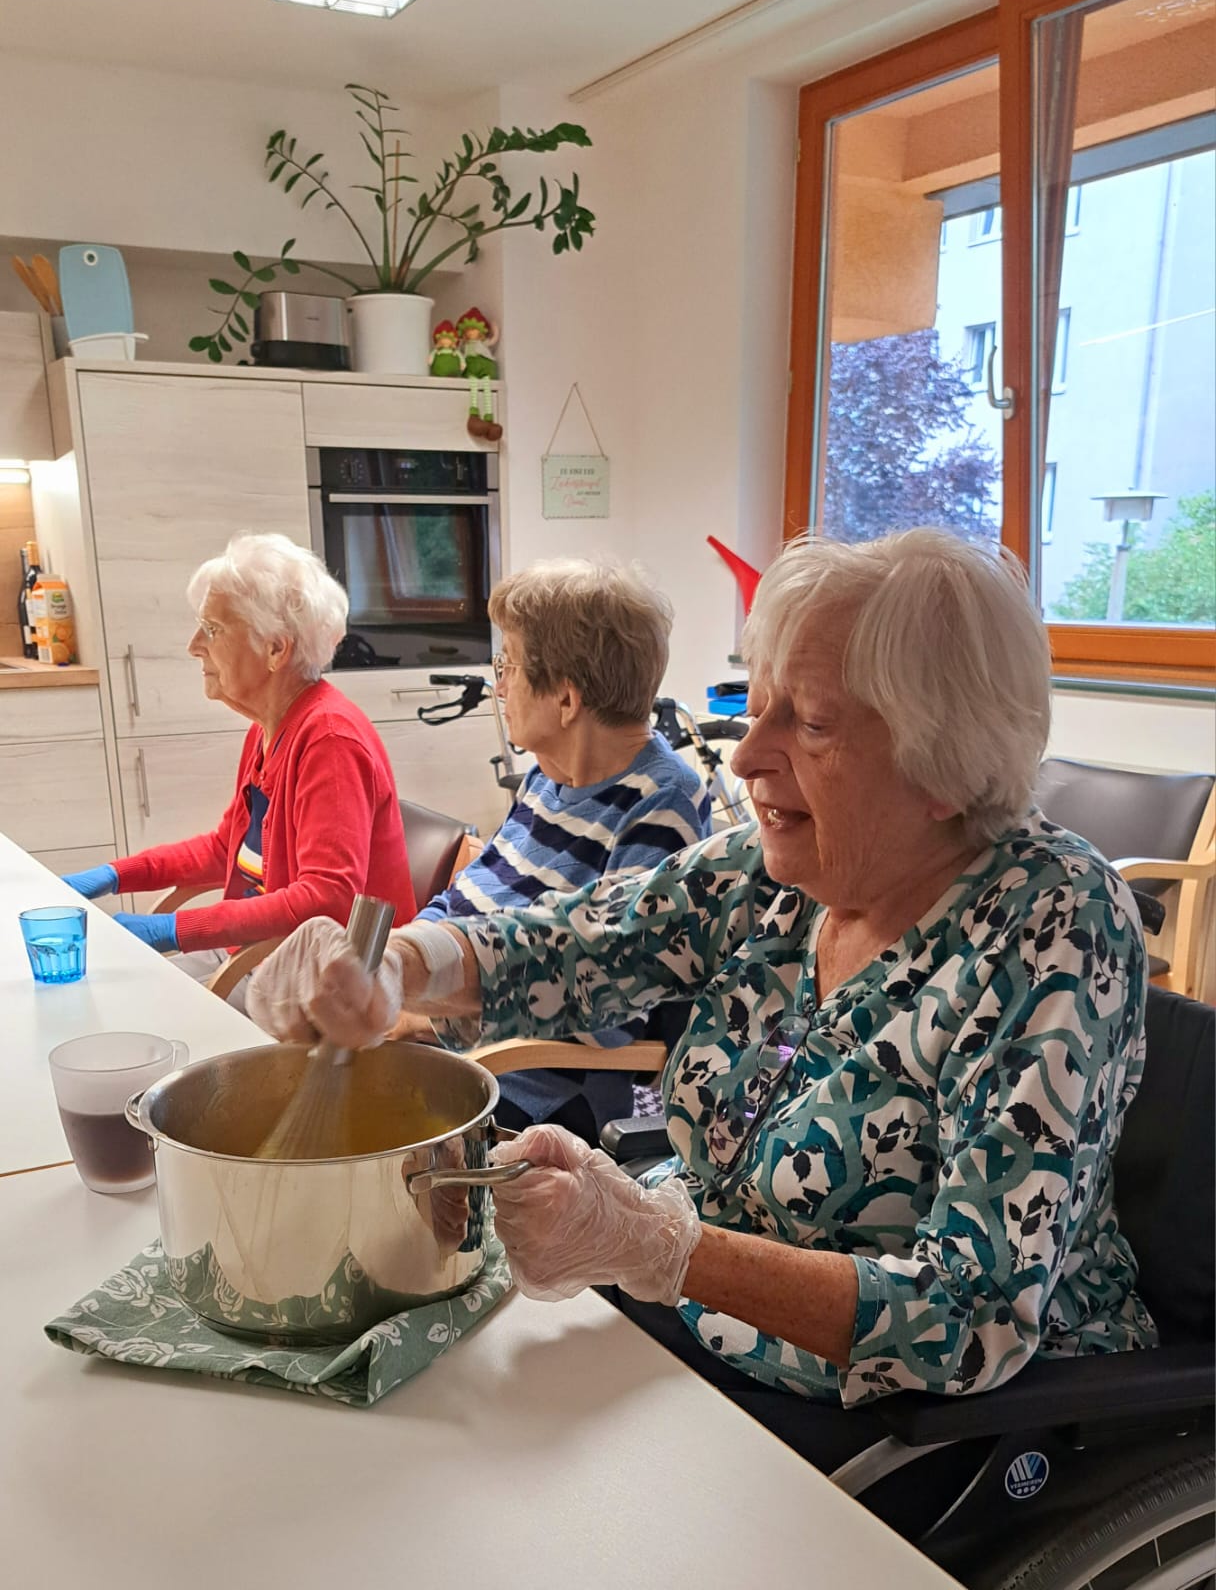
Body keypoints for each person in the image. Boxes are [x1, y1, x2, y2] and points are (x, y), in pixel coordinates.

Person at [247, 528, 1155, 1472]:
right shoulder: (773, 872)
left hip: (906, 1420)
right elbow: (576, 939)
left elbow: (968, 1319)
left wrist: (657, 1247)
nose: (749, 756)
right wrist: (398, 963)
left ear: (944, 762)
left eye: (808, 722)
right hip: (703, 1336)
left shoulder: (1054, 923)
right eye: (756, 708)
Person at [392, 558, 712, 1141]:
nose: (499, 683)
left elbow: (611, 1010)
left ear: (565, 700)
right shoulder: (547, 777)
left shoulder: (662, 803)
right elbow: (464, 897)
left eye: (507, 664)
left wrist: (430, 1014)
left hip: (539, 1094)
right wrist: (403, 960)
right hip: (469, 1053)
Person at [64, 533, 416, 993]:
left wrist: (173, 929)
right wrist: (115, 875)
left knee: (127, 1009)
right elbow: (223, 850)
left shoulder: (329, 740)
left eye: (212, 629)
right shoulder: (269, 728)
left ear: (275, 649)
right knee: (108, 990)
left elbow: (327, 899)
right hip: (259, 957)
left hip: (322, 991)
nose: (194, 645)